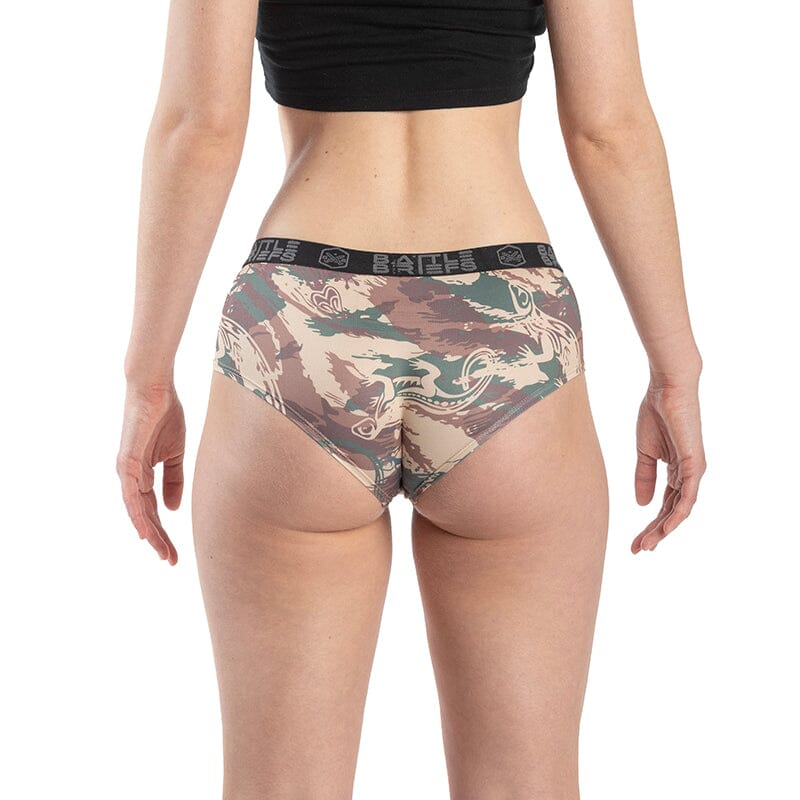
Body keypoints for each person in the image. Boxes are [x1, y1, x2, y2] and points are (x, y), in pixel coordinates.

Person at [116, 0, 706, 796]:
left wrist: (147, 379)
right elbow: (610, 130)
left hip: (300, 316)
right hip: (505, 317)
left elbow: (201, 129)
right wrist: (674, 370)